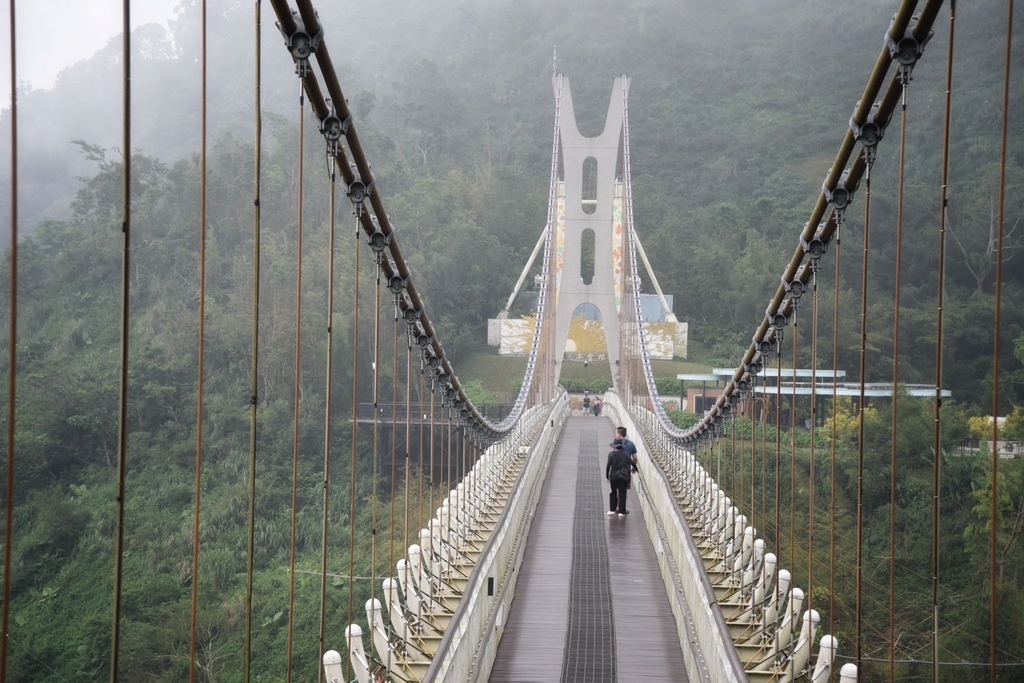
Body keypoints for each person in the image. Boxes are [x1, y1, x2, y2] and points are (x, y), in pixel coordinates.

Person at [606, 439, 635, 518]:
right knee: (623, 493)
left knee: (613, 492)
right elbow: (632, 462)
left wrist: (607, 476)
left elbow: (608, 466)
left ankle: (612, 509)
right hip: (624, 476)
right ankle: (622, 511)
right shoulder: (625, 454)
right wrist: (636, 469)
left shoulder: (611, 454)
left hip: (614, 476)